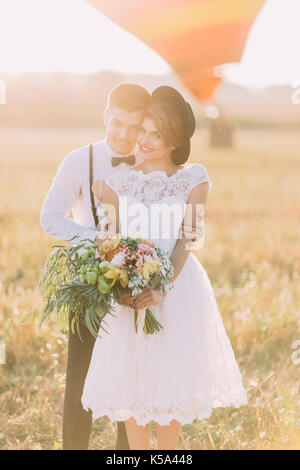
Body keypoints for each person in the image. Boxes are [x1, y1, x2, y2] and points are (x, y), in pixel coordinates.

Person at [81, 86, 248, 450]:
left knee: (171, 388)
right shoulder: (114, 181)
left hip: (177, 290)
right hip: (129, 292)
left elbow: (190, 238)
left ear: (174, 140)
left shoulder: (194, 178)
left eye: (156, 134)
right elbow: (107, 239)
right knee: (132, 387)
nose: (143, 140)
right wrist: (120, 281)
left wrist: (162, 285)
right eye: (143, 130)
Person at [40, 83, 152, 450]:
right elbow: (49, 217)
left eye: (134, 127)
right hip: (88, 288)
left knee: (130, 387)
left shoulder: (151, 164)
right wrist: (96, 241)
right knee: (81, 386)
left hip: (133, 290)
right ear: (106, 116)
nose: (123, 134)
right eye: (117, 123)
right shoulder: (78, 161)